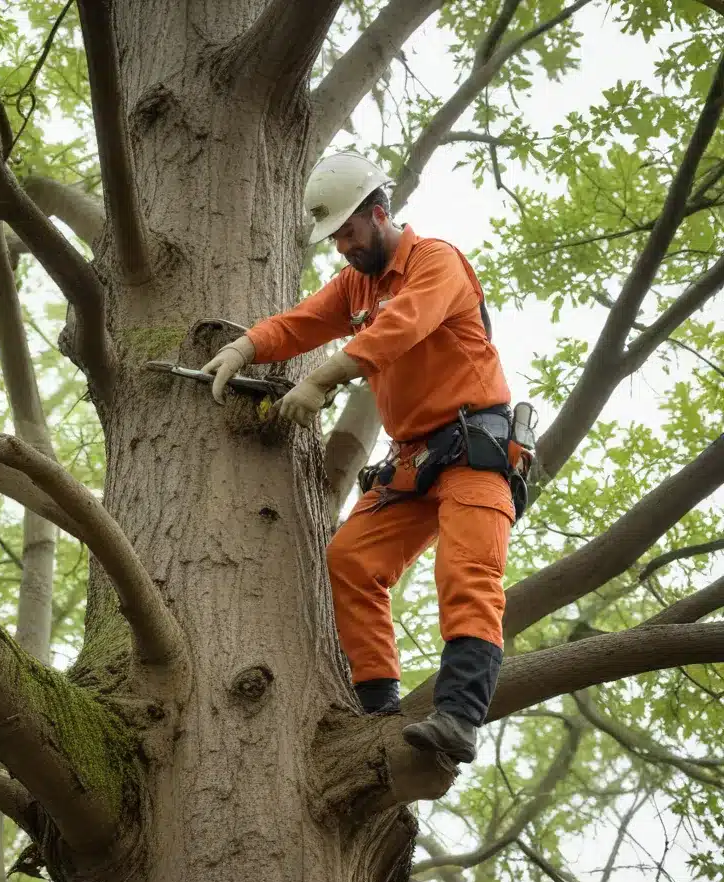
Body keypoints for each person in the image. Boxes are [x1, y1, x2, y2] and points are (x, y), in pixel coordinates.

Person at [202, 151, 519, 764]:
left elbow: (402, 325)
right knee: (350, 560)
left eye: (348, 232)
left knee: (467, 575)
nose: (342, 247)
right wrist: (244, 347)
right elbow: (300, 323)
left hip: (474, 451)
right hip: (414, 461)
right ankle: (376, 705)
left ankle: (458, 718)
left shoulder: (436, 262)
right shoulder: (355, 285)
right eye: (334, 238)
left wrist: (322, 378)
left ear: (379, 215)